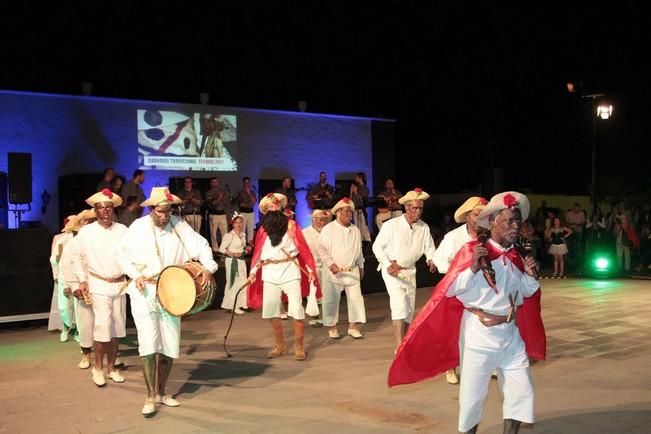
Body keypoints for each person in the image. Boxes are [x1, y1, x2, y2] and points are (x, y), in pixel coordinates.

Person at [389, 191, 546, 434]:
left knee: (521, 390)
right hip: (479, 334)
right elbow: (450, 291)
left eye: (518, 221)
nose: (516, 227)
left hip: (510, 335)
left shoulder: (516, 256)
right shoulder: (472, 252)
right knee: (473, 396)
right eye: (509, 221)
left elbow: (524, 293)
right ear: (493, 222)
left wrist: (529, 275)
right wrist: (472, 268)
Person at [118, 187, 218, 416]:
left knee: (170, 345)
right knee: (148, 344)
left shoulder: (179, 225)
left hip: (173, 292)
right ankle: (150, 395)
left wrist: (208, 267)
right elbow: (121, 255)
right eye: (160, 211)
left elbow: (202, 246)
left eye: (168, 211)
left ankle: (162, 392)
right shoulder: (138, 227)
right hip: (144, 293)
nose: (164, 216)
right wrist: (135, 275)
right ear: (151, 208)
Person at [246, 193, 321, 361]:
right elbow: (258, 254)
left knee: (296, 310)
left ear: (281, 208)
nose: (275, 208)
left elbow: (303, 249)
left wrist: (309, 270)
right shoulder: (262, 230)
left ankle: (299, 348)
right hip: (269, 272)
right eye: (271, 207)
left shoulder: (292, 226)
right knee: (272, 312)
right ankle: (280, 345)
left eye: (277, 206)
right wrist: (252, 273)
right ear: (266, 211)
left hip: (290, 271)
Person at [71, 189, 128, 387]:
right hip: (98, 283)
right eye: (102, 208)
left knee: (117, 328)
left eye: (109, 208)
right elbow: (76, 257)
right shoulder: (86, 232)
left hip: (120, 284)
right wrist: (81, 280)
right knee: (102, 326)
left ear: (114, 210)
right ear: (96, 211)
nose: (106, 212)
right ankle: (98, 368)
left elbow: (131, 254)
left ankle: (112, 368)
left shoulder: (122, 230)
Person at [372, 188, 436, 352]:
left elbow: (429, 248)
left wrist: (431, 259)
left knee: (408, 310)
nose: (418, 211)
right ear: (407, 208)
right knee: (399, 305)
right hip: (392, 272)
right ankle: (399, 347)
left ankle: (405, 343)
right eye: (415, 208)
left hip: (410, 271)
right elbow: (377, 247)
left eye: (420, 208)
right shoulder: (391, 225)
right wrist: (387, 264)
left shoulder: (423, 227)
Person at [432, 196, 487, 385]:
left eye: (483, 215)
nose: (480, 219)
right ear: (467, 216)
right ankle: (451, 367)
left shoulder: (490, 237)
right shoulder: (454, 237)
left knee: (481, 328)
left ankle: (486, 365)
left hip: (481, 293)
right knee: (453, 331)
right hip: (458, 290)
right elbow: (439, 258)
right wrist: (454, 274)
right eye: (476, 214)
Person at [317, 198, 366, 339]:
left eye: (351, 212)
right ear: (338, 213)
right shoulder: (328, 229)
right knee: (331, 300)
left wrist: (361, 265)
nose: (350, 214)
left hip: (352, 270)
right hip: (334, 271)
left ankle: (353, 327)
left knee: (356, 299)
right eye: (346, 212)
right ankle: (332, 327)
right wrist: (330, 263)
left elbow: (359, 249)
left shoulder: (355, 229)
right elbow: (321, 248)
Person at [61, 209, 96, 369]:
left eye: (92, 221)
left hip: (101, 285)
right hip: (84, 287)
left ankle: (109, 355)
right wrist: (73, 286)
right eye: (87, 221)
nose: (91, 224)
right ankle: (86, 354)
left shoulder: (98, 240)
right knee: (85, 322)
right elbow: (66, 265)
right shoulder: (73, 243)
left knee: (105, 322)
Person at [48, 216, 76, 342]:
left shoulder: (82, 239)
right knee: (64, 305)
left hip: (78, 276)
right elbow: (53, 259)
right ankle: (66, 327)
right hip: (64, 274)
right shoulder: (60, 239)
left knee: (79, 306)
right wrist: (56, 274)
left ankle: (79, 331)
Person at [302, 209, 331, 327]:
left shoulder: (328, 232)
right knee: (312, 292)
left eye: (323, 219)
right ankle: (315, 315)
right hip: (311, 266)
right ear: (312, 219)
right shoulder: (305, 232)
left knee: (326, 292)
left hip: (326, 265)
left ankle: (326, 316)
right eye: (317, 219)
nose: (320, 221)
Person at [219, 213, 250, 315]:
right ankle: (234, 305)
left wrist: (246, 250)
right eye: (236, 223)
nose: (239, 224)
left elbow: (243, 247)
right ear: (233, 224)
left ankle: (239, 304)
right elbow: (222, 249)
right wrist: (232, 254)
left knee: (243, 282)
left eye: (240, 222)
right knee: (234, 282)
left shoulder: (243, 235)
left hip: (241, 261)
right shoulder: (229, 236)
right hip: (232, 262)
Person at [205, 177, 230, 252]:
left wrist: (222, 198)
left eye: (216, 182)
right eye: (213, 182)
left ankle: (224, 248)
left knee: (225, 233)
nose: (215, 183)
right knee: (213, 233)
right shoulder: (208, 192)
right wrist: (219, 198)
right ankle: (215, 249)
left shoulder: (222, 191)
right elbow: (212, 204)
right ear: (211, 183)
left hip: (222, 214)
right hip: (213, 215)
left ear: (218, 183)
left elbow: (226, 203)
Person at [232, 177, 257, 243]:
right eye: (245, 183)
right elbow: (241, 205)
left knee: (250, 230)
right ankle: (242, 244)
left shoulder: (252, 192)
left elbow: (254, 201)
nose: (247, 184)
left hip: (251, 213)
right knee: (242, 229)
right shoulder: (240, 192)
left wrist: (249, 194)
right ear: (243, 183)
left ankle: (250, 244)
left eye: (248, 182)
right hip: (243, 213)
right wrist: (249, 203)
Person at [349, 173, 372, 246]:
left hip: (361, 209)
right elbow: (350, 199)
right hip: (355, 209)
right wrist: (351, 191)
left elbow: (363, 200)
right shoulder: (357, 187)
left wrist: (356, 192)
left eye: (356, 177)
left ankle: (368, 241)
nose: (355, 179)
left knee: (364, 225)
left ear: (360, 178)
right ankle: (361, 241)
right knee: (357, 226)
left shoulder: (364, 188)